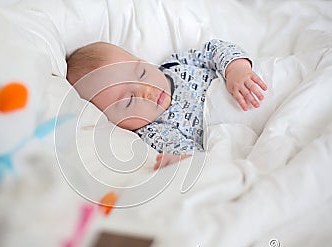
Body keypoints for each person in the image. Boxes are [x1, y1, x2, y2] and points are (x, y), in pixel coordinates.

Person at [66, 40, 267, 170]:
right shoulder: (156, 133)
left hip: (258, 85)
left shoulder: (175, 65)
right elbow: (198, 159)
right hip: (248, 125)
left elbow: (215, 49)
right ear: (116, 123)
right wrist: (178, 163)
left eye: (142, 73)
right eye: (129, 100)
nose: (147, 91)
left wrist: (236, 70)